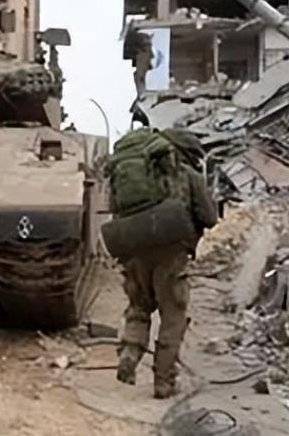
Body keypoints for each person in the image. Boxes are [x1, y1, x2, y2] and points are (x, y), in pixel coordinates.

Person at [114, 142, 218, 399]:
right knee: (172, 317)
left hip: (134, 249)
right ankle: (163, 382)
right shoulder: (188, 175)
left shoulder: (132, 174)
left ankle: (129, 353)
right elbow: (209, 217)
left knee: (138, 308)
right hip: (171, 255)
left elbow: (116, 210)